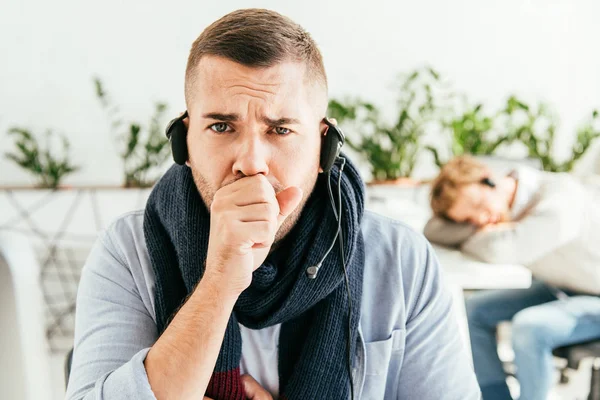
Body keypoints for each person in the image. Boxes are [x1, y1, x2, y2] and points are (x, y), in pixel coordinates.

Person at [65, 9, 480, 400]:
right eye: (221, 126)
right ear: (184, 142)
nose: (250, 162)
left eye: (280, 129)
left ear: (324, 148)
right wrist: (219, 280)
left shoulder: (401, 259)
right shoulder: (126, 250)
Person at [424, 155, 600, 400]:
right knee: (472, 310)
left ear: (489, 180)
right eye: (466, 221)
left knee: (530, 326)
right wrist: (487, 231)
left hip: (595, 295)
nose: (481, 219)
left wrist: (478, 235)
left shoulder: (560, 197)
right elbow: (433, 229)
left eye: (477, 206)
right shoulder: (495, 210)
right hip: (560, 287)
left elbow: (503, 250)